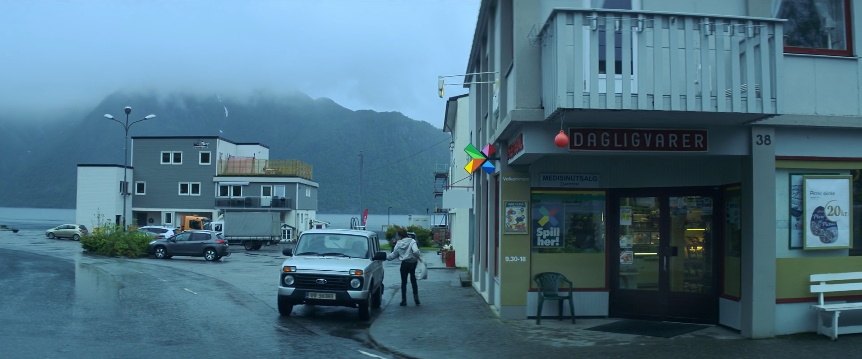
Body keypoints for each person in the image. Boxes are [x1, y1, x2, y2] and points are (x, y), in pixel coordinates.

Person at [387, 228, 421, 306]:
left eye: (397, 235)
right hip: (413, 263)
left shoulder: (398, 244)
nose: (396, 237)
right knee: (413, 281)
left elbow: (393, 255)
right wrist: (417, 257)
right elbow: (416, 251)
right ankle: (416, 299)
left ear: (400, 235)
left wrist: (386, 257)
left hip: (404, 264)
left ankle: (404, 300)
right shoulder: (412, 241)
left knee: (404, 282)